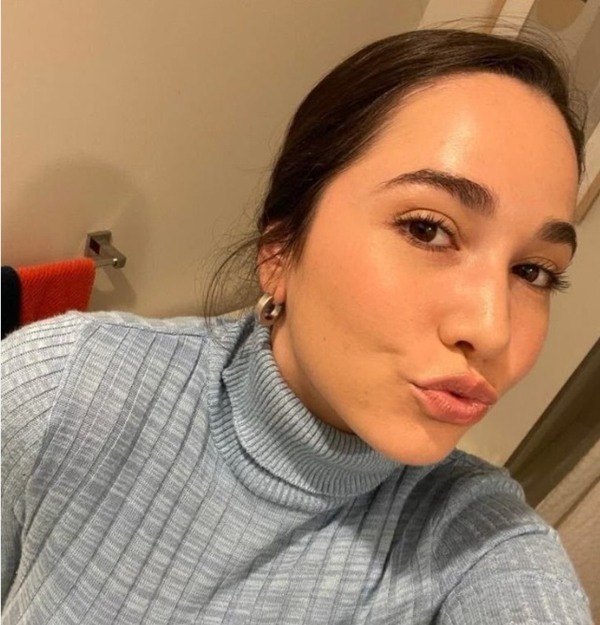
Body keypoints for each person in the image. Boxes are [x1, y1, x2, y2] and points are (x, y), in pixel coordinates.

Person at [1, 28, 593, 624]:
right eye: (427, 229)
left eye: (534, 271)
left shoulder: (478, 543)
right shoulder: (65, 388)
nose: (493, 331)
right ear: (280, 250)